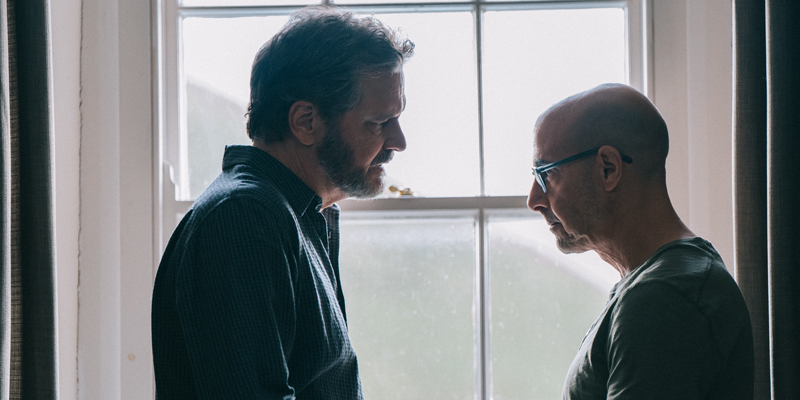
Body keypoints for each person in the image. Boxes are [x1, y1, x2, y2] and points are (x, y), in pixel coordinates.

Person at [151, 7, 414, 399]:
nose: (398, 142)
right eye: (378, 123)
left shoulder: (293, 216)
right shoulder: (243, 218)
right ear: (306, 122)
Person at [527, 83, 754, 400]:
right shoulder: (659, 287)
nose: (534, 200)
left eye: (546, 175)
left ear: (608, 169)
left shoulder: (664, 298)